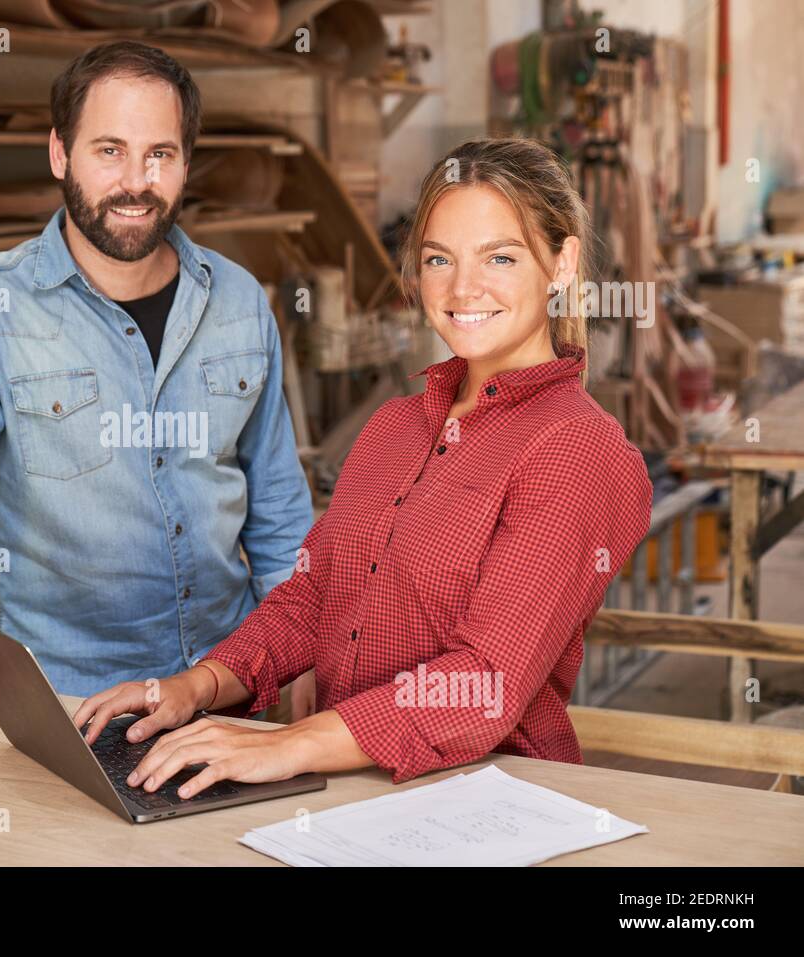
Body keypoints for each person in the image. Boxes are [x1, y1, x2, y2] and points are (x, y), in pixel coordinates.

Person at [73, 137, 654, 798]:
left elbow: (484, 678)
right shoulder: (394, 426)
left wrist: (291, 744)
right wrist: (195, 685)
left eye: (500, 256)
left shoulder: (577, 450)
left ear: (563, 262)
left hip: (486, 802)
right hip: (348, 787)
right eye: (439, 259)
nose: (463, 288)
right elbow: (311, 598)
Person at [0, 41, 312, 770]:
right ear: (59, 153)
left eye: (160, 154)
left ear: (186, 162)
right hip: (64, 716)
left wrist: (302, 681)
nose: (136, 182)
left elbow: (280, 522)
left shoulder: (238, 301)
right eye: (109, 150)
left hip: (228, 701)